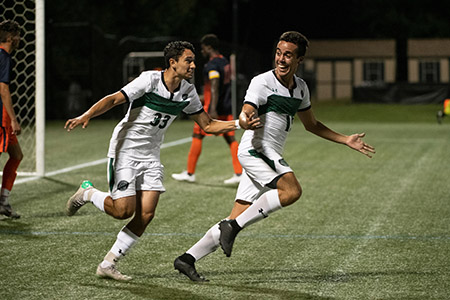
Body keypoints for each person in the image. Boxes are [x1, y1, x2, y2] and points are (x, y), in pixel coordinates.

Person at [173, 31, 376, 282]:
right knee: (292, 191)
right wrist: (246, 117)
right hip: (256, 150)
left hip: (267, 155)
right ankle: (232, 228)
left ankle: (187, 259)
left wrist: (346, 139)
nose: (281, 59)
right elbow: (248, 109)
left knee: (237, 215)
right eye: (278, 53)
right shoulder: (262, 81)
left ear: (299, 60)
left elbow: (311, 124)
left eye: (288, 55)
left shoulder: (301, 89)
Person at [64, 40, 260, 281]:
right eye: (188, 60)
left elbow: (208, 124)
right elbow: (115, 99)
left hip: (151, 155)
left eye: (193, 60)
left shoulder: (187, 91)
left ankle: (108, 263)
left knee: (146, 214)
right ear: (172, 62)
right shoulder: (149, 80)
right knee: (123, 211)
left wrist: (239, 123)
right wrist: (87, 114)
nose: (193, 65)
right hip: (125, 150)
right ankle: (88, 193)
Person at [172, 34, 242, 184]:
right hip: (226, 105)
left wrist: (212, 108)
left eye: (203, 49)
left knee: (197, 135)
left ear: (209, 48)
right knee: (230, 138)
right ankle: (239, 173)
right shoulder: (224, 61)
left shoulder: (212, 65)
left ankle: (190, 173)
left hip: (212, 108)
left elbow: (215, 85)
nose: (202, 52)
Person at [0, 20, 23, 219]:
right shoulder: (3, 56)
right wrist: (14, 120)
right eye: (17, 35)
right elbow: (3, 89)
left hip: (4, 117)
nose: (19, 39)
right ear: (9, 37)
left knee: (16, 155)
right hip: (2, 118)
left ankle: (3, 200)